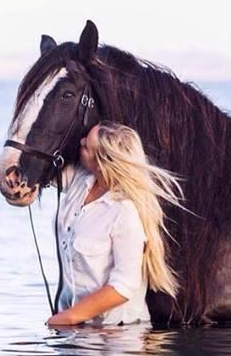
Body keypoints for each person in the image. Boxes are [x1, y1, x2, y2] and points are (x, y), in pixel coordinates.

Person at [46, 121, 184, 326]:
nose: (80, 141)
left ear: (102, 162)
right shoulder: (79, 183)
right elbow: (40, 172)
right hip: (76, 329)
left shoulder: (124, 212)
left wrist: (69, 317)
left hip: (116, 335)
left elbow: (124, 286)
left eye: (86, 146)